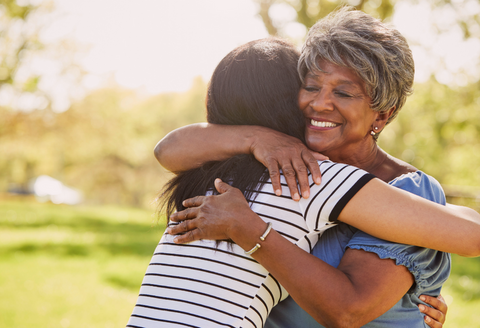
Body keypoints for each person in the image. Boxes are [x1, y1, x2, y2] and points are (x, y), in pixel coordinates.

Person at [155, 7, 480, 328]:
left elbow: (348, 312)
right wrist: (257, 138)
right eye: (311, 87)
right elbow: (168, 150)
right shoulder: (281, 164)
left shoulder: (400, 187)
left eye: (343, 92)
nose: (319, 103)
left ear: (381, 115)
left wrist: (250, 230)